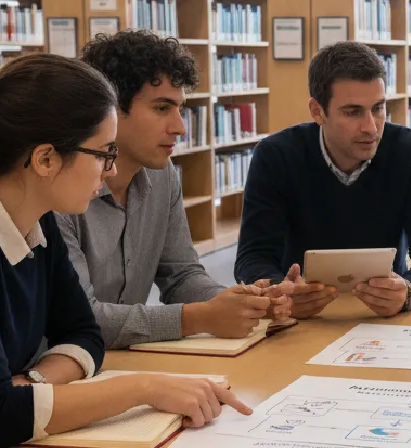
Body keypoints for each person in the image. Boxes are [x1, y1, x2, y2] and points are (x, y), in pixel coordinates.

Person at [0, 54, 251, 448]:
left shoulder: (38, 220)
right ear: (46, 159)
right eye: (104, 153)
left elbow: (85, 334)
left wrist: (36, 382)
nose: (109, 170)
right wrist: (144, 387)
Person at [60, 30, 292, 350]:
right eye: (162, 108)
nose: (180, 127)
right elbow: (82, 317)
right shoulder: (60, 190)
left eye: (180, 108)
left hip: (124, 362)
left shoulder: (163, 175)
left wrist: (243, 302)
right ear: (109, 108)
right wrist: (199, 318)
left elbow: (181, 276)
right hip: (54, 372)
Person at [233, 41, 411, 318]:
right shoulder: (275, 156)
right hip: (299, 320)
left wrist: (410, 290)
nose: (371, 127)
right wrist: (281, 293)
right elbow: (252, 257)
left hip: (383, 319)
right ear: (317, 111)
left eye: (378, 108)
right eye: (353, 112)